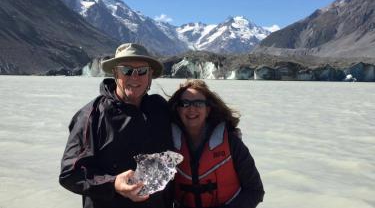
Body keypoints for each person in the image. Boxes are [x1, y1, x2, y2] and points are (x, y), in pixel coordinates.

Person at [59, 43, 173, 208]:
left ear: (150, 75)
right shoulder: (92, 116)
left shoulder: (160, 109)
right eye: (126, 70)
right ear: (115, 73)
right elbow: (70, 174)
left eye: (142, 71)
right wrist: (113, 184)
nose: (134, 77)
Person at [168, 79, 264, 208]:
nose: (191, 109)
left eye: (198, 103)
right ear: (178, 109)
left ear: (208, 110)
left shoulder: (231, 143)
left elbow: (255, 191)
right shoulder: (167, 144)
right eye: (185, 103)